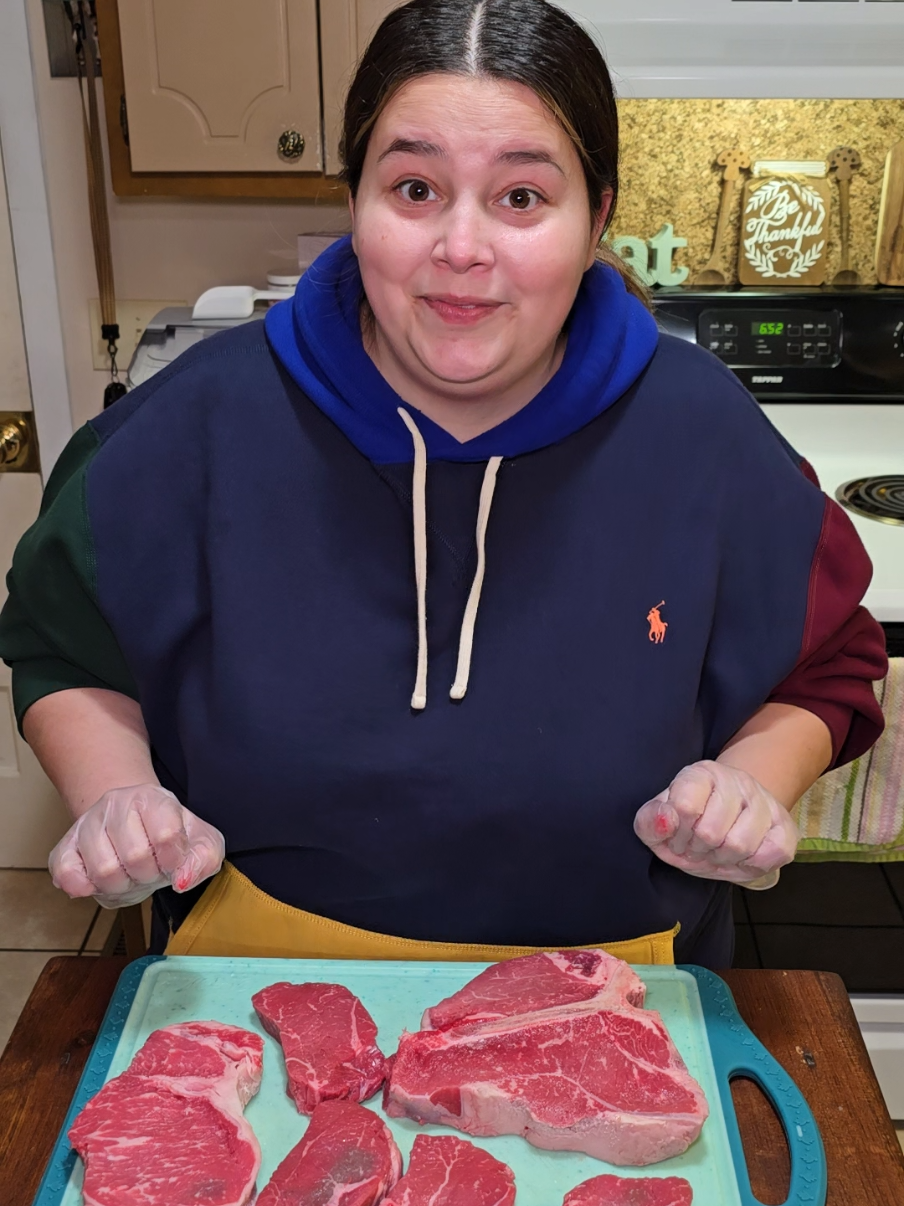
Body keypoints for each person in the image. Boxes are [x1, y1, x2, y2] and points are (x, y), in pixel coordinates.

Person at [0, 0, 887, 968]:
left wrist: (750, 781)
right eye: (415, 188)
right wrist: (115, 795)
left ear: (595, 217)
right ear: (353, 201)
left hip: (614, 1011)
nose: (461, 249)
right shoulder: (195, 430)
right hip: (265, 996)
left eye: (520, 199)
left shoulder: (702, 437)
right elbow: (63, 640)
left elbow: (830, 660)